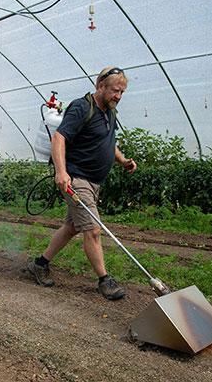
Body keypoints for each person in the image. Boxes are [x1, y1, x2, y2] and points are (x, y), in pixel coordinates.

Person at [27, 66, 137, 301]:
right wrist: (61, 172)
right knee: (93, 229)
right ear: (100, 86)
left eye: (122, 92)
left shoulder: (110, 111)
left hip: (94, 181)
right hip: (77, 179)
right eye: (115, 91)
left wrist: (123, 160)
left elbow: (108, 142)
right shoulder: (81, 107)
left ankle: (40, 264)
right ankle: (104, 280)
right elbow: (59, 137)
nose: (118, 96)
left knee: (72, 227)